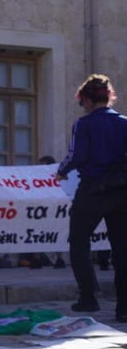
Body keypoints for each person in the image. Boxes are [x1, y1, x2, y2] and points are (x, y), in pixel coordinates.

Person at [55, 73, 127, 320]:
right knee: (122, 249)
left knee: (78, 242)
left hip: (93, 189)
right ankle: (124, 307)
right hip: (121, 191)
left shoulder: (83, 124)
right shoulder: (124, 123)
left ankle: (88, 297)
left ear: (85, 99)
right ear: (109, 97)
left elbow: (76, 155)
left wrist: (61, 171)